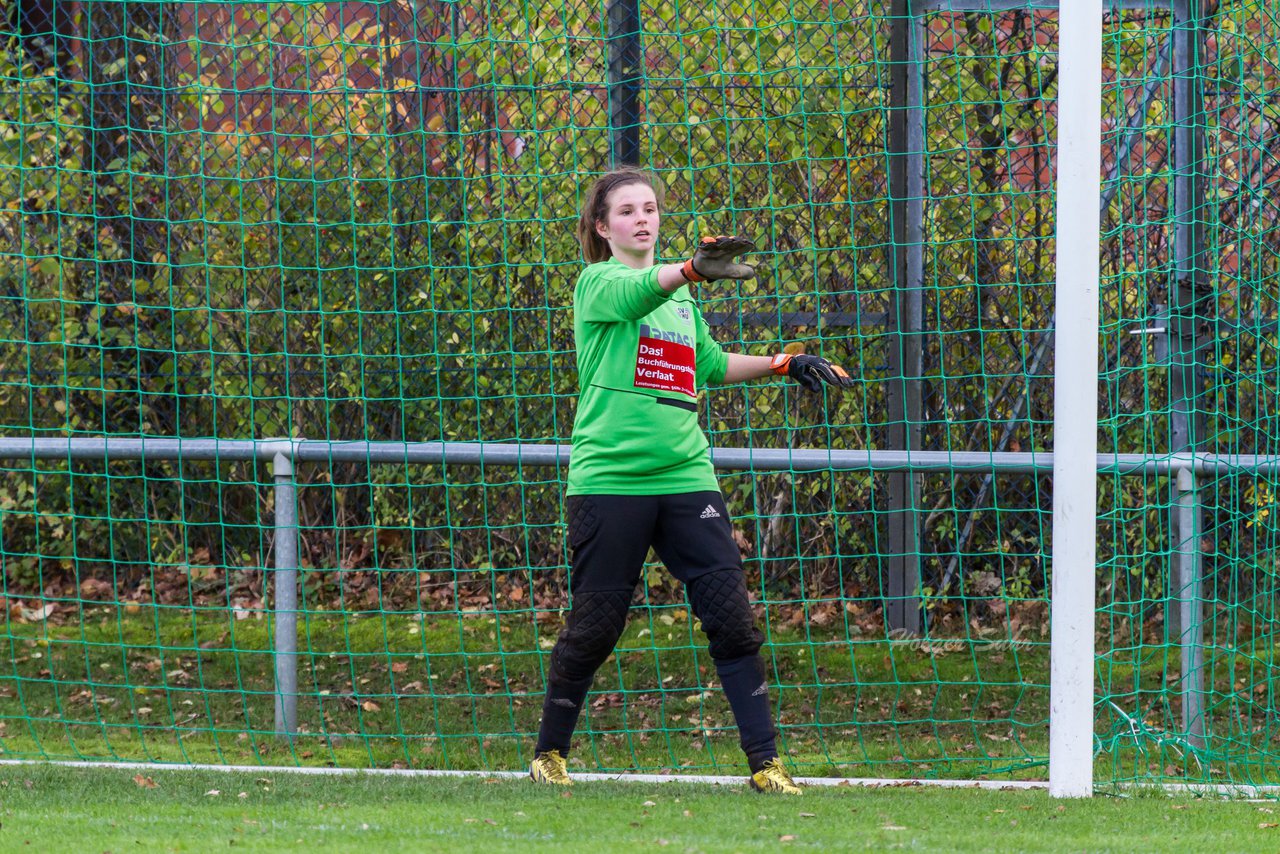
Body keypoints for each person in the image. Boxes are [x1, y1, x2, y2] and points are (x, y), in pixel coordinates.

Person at [529, 167, 853, 795]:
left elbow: (705, 363)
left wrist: (785, 361)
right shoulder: (598, 283)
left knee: (732, 619)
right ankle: (549, 752)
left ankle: (766, 765)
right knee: (596, 628)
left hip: (686, 475)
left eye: (649, 208)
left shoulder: (679, 296)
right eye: (627, 211)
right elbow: (637, 294)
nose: (642, 219)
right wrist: (692, 270)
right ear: (603, 226)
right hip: (611, 481)